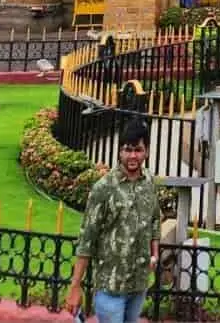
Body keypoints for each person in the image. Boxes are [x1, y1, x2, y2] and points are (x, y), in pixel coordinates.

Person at [66, 117, 160, 323]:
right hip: (110, 286)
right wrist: (75, 286)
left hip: (139, 283)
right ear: (120, 152)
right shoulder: (104, 188)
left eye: (138, 150)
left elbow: (154, 218)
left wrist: (155, 252)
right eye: (127, 150)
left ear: (146, 151)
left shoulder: (149, 183)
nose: (132, 156)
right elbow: (86, 239)